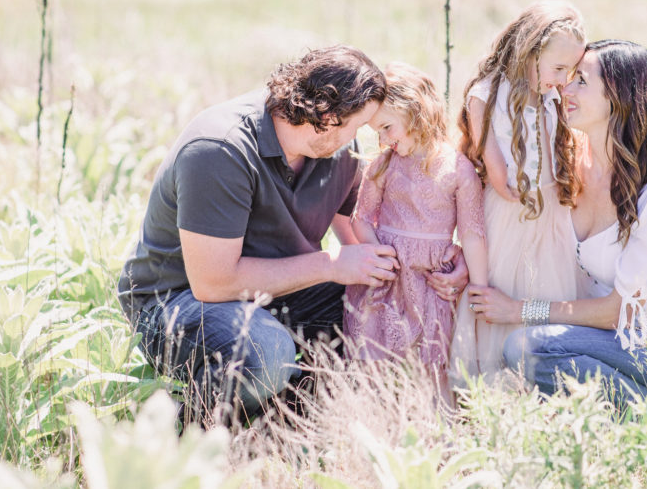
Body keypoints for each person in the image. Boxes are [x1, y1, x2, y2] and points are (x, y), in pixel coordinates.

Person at [117, 45, 467, 425]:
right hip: (177, 301)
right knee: (266, 351)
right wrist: (329, 264)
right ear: (329, 117)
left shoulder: (338, 151)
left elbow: (368, 237)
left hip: (273, 291)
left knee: (367, 310)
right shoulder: (220, 149)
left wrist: (446, 259)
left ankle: (290, 421)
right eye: (358, 127)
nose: (368, 140)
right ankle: (186, 437)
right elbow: (213, 284)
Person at [468, 39, 647, 414]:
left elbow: (619, 312)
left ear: (620, 97)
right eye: (567, 77)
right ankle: (625, 412)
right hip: (605, 339)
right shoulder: (571, 164)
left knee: (525, 347)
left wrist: (518, 309)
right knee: (526, 353)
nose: (565, 88)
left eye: (581, 80)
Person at [449, 0, 589, 382]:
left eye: (570, 71)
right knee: (504, 286)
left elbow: (556, 148)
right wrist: (512, 180)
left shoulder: (550, 94)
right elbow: (495, 166)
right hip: (508, 214)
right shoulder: (488, 94)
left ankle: (538, 375)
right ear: (530, 51)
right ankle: (497, 380)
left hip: (551, 215)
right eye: (559, 68)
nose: (563, 79)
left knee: (549, 285)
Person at [342, 62, 489, 404]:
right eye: (376, 132)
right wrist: (379, 255)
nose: (382, 140)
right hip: (388, 276)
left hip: (430, 280)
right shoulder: (383, 165)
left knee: (432, 359)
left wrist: (478, 288)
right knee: (377, 357)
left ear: (416, 112)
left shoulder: (457, 169)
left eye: (387, 128)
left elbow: (472, 232)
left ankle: (438, 426)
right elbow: (360, 218)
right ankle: (380, 418)